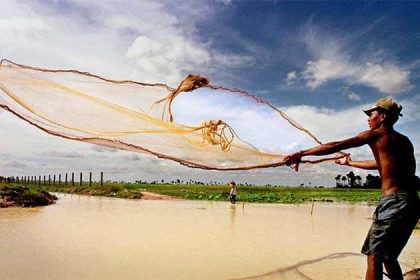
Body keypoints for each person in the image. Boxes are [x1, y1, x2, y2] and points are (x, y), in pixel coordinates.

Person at [284, 97, 420, 280]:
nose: (368, 119)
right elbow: (379, 164)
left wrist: (301, 154)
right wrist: (350, 163)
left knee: (374, 257)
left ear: (382, 116)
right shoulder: (404, 141)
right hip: (411, 203)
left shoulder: (377, 134)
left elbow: (337, 145)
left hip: (393, 203)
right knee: (389, 256)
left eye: (370, 114)